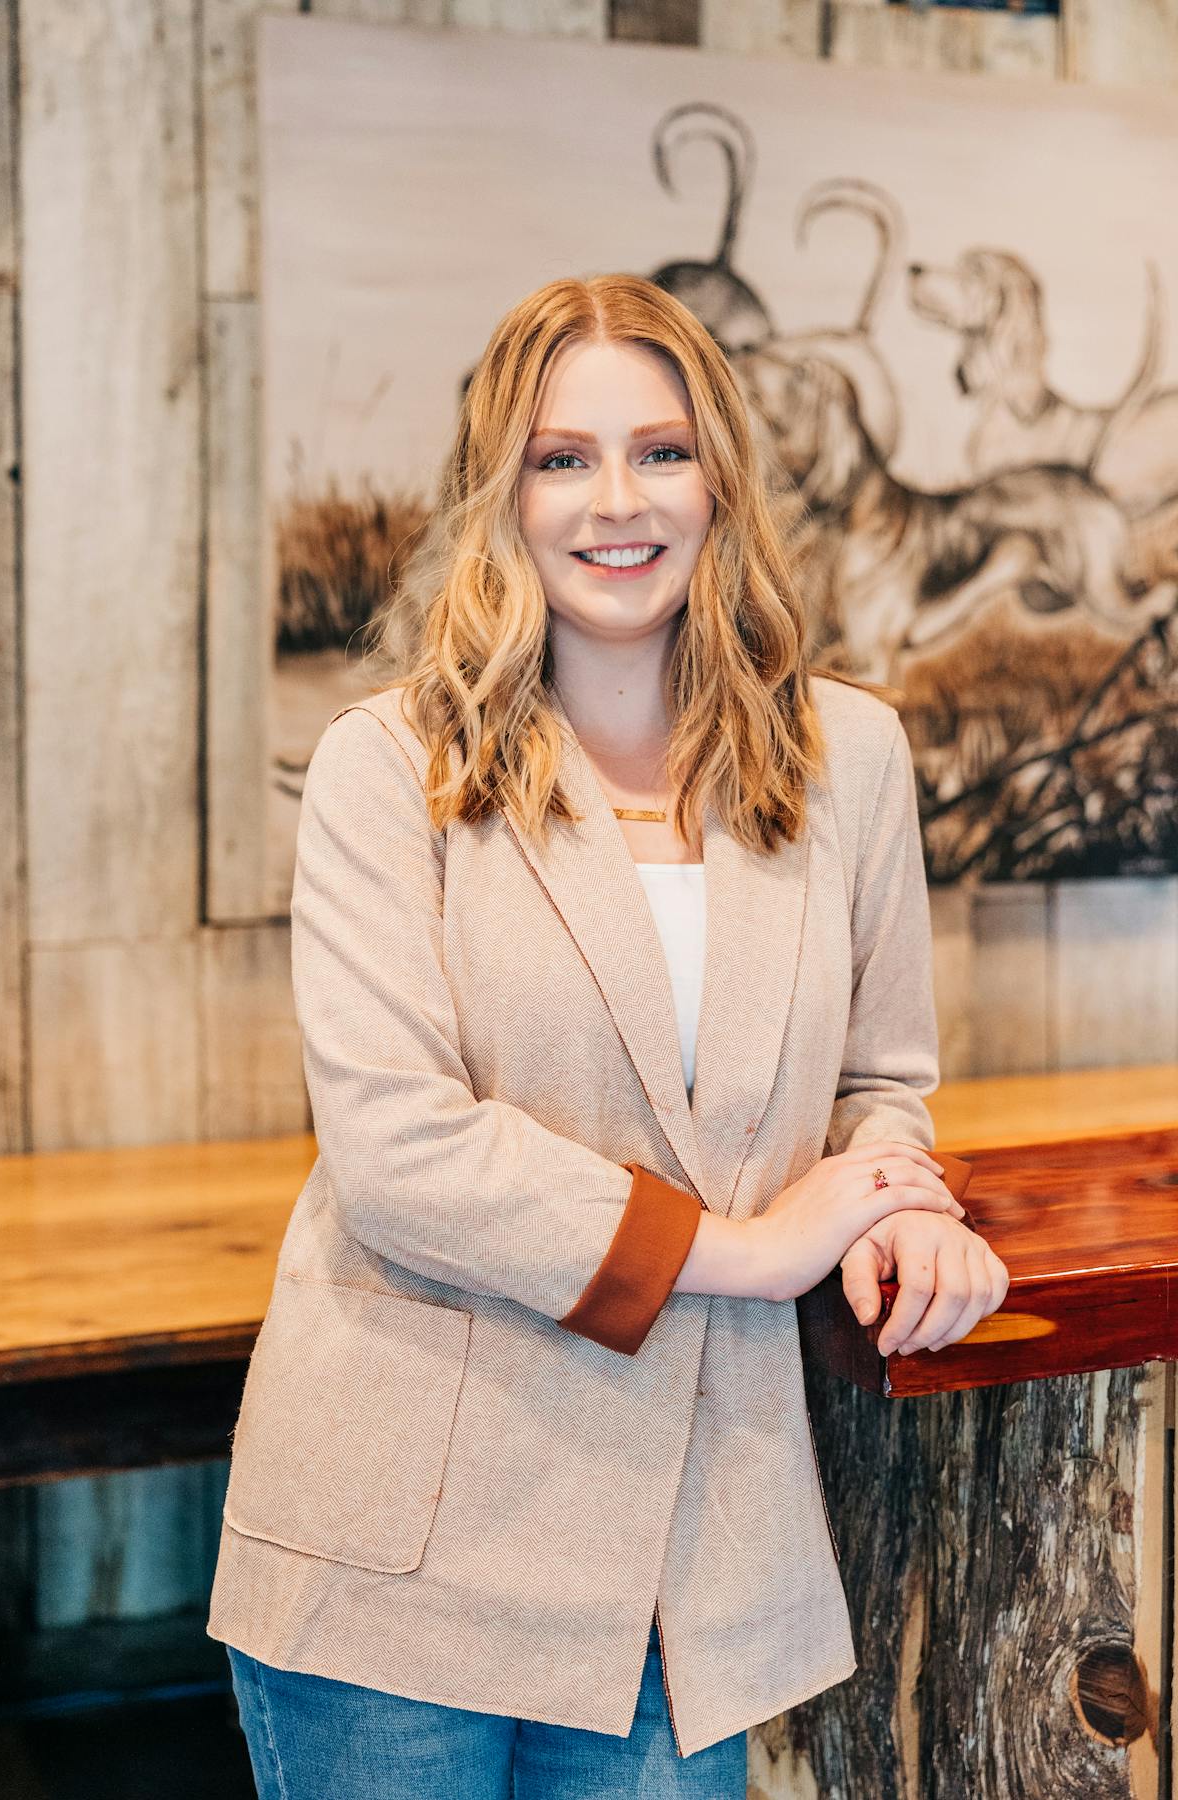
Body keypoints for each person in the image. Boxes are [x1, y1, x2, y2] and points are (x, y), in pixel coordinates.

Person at [207, 272, 1009, 1798]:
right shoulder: (394, 764)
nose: (614, 501)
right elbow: (400, 1155)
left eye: (660, 450)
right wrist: (757, 1250)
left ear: (722, 478)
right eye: (560, 458)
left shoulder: (853, 754)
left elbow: (879, 1083)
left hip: (689, 1556)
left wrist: (905, 1207)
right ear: (497, 492)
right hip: (404, 1546)